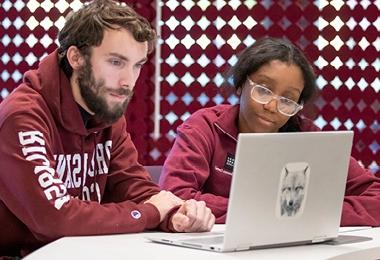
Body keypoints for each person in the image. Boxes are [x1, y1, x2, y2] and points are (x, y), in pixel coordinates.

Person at [0, 0, 214, 257]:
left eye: (137, 65)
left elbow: (135, 187)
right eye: (116, 62)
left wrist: (175, 214)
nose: (128, 81)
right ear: (76, 57)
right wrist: (149, 213)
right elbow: (54, 218)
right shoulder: (23, 116)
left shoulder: (105, 111)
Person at [159, 37, 380, 226]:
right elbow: (175, 197)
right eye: (263, 90)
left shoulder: (309, 138)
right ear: (240, 84)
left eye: (288, 99)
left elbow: (376, 199)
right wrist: (279, 211)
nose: (272, 106)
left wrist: (308, 214)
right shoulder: (205, 127)